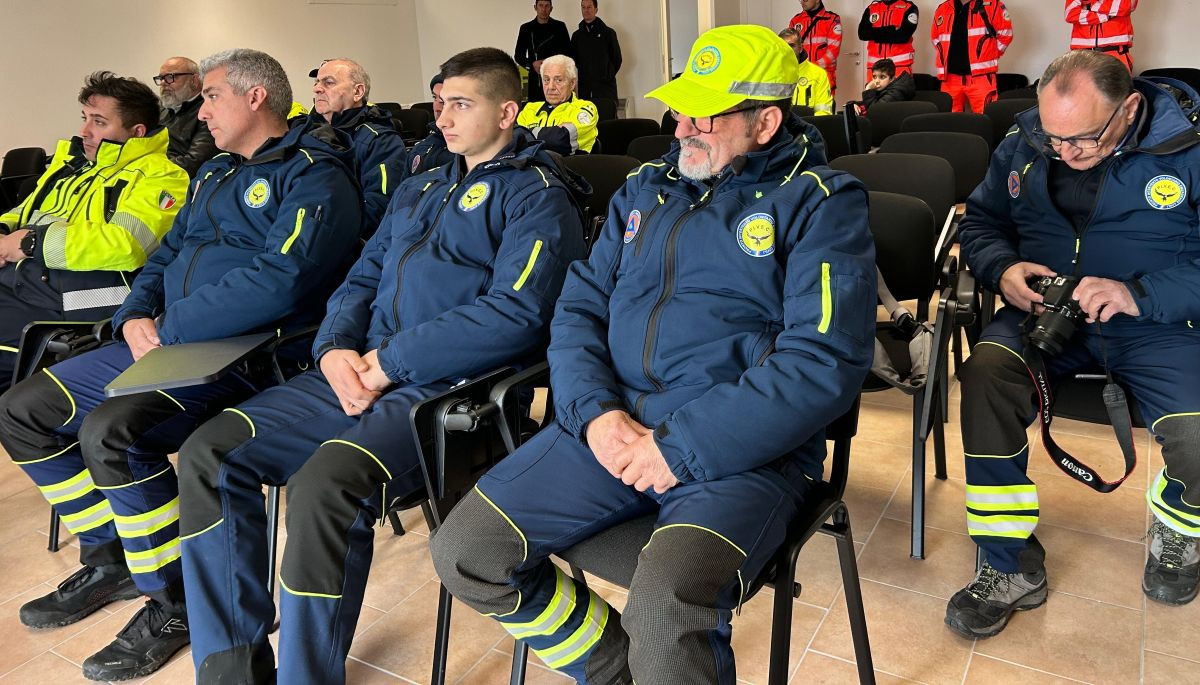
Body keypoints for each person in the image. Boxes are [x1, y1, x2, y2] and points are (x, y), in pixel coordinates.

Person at [431, 24, 876, 684]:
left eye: (705, 114)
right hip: (613, 426)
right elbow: (578, 308)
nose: (682, 127)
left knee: (665, 616)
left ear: (765, 122)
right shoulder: (646, 188)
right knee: (466, 551)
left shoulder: (821, 204)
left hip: (739, 453)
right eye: (681, 109)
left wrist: (678, 448)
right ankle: (616, 671)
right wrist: (593, 413)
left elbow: (822, 363)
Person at [175, 47, 588, 685]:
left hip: (447, 393)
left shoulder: (537, 194)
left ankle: (305, 677)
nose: (442, 118)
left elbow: (517, 313)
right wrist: (335, 348)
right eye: (440, 103)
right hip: (361, 366)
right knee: (209, 453)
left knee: (323, 487)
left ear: (507, 112)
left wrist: (390, 364)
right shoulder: (421, 185)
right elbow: (362, 277)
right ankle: (230, 669)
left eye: (461, 105)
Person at [0, 48, 363, 681]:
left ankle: (174, 602)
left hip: (246, 353)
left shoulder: (313, 174)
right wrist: (135, 312)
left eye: (212, 96)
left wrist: (169, 326)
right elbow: (165, 254)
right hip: (168, 340)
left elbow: (282, 281)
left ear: (255, 97)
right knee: (22, 411)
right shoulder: (215, 172)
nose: (201, 111)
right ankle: (113, 559)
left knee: (113, 432)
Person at [945, 50, 1200, 640]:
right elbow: (980, 224)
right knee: (986, 375)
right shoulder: (1024, 143)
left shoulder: (1188, 151)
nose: (1065, 153)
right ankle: (1008, 561)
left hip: (1156, 323)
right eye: (1053, 137)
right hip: (1046, 314)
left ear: (1129, 108)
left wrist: (1139, 294)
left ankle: (1179, 526)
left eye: (1084, 138)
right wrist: (1002, 269)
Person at [0, 71, 188, 391]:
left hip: (73, 299)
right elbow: (25, 211)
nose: (84, 131)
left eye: (99, 122)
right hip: (25, 280)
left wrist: (31, 244)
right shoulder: (74, 167)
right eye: (85, 118)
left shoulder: (163, 177)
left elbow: (126, 245)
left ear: (136, 132)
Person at [307, 57, 408, 237]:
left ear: (358, 92)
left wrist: (319, 229)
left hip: (341, 239)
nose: (317, 89)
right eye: (316, 82)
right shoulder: (305, 133)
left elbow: (380, 207)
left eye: (328, 82)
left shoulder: (380, 141)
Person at [931, 0, 1013, 113]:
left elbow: (1006, 35)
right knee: (949, 120)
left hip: (982, 78)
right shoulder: (943, 8)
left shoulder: (993, 5)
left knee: (986, 118)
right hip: (949, 78)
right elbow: (936, 39)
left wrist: (989, 55)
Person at [516, 54, 600, 154]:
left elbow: (561, 140)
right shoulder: (529, 109)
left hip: (569, 164)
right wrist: (555, 132)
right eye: (546, 80)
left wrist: (529, 133)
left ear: (572, 83)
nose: (551, 87)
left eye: (558, 80)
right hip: (532, 164)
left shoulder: (585, 108)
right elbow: (515, 139)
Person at [156, 57, 218, 176]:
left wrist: (150, 167)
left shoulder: (208, 112)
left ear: (194, 80)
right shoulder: (162, 111)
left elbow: (193, 163)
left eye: (170, 77)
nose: (163, 83)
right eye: (161, 78)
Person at [515, 0, 573, 102]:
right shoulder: (526, 28)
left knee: (558, 109)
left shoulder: (560, 27)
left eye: (547, 6)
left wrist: (549, 63)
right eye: (541, 5)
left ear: (551, 8)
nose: (544, 9)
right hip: (535, 81)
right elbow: (518, 56)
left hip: (557, 79)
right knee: (536, 110)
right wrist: (532, 64)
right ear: (535, 7)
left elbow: (568, 54)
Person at [571, 0, 622, 102]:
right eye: (583, 7)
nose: (586, 10)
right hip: (585, 88)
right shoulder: (576, 36)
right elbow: (573, 59)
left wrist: (607, 75)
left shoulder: (608, 33)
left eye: (589, 7)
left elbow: (617, 59)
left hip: (606, 88)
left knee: (607, 112)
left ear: (596, 9)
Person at [1066, 0, 1138, 71]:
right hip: (1082, 55)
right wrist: (1105, 16)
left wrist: (1089, 5)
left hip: (1116, 53)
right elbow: (1070, 14)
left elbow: (1128, 5)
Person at [789, 0, 843, 94]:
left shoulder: (832, 19)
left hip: (824, 77)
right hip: (801, 78)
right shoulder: (796, 20)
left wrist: (812, 68)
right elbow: (790, 50)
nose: (802, 2)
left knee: (824, 104)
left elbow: (833, 51)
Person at [859, 0, 920, 82]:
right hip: (874, 68)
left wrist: (874, 33)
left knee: (899, 91)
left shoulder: (909, 7)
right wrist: (892, 29)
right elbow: (862, 34)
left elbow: (903, 36)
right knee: (872, 91)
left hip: (900, 66)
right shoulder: (872, 8)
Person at [406, 73, 455, 177]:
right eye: (434, 97)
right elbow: (403, 185)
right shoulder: (422, 148)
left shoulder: (470, 152)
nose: (437, 107)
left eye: (443, 100)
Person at [779, 27, 834, 115]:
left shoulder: (818, 74)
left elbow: (824, 111)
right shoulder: (771, 73)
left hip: (809, 122)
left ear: (800, 48)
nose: (787, 50)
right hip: (781, 122)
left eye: (791, 45)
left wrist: (810, 123)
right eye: (783, 46)